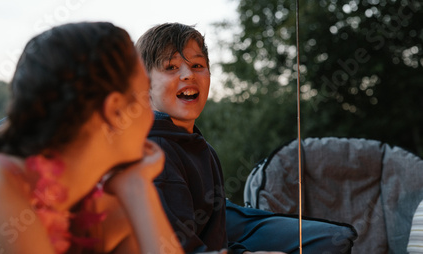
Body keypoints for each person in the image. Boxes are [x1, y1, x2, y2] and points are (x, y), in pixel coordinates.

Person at [0, 22, 184, 254]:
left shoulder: (102, 209)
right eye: (145, 96)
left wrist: (138, 188)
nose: (151, 114)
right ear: (115, 109)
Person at [135, 22, 357, 254]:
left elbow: (214, 239)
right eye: (171, 67)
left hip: (220, 226)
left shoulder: (203, 148)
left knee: (335, 238)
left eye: (197, 65)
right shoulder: (157, 153)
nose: (188, 74)